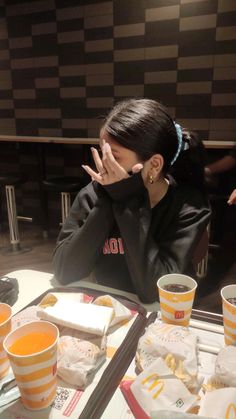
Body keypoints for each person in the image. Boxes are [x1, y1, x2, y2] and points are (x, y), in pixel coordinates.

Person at [53, 98, 210, 303]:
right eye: (103, 154)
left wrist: (128, 202)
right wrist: (109, 199)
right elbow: (65, 270)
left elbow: (154, 291)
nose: (103, 166)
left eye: (114, 158)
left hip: (159, 320)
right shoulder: (93, 194)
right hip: (104, 310)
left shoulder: (189, 208)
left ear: (154, 165)